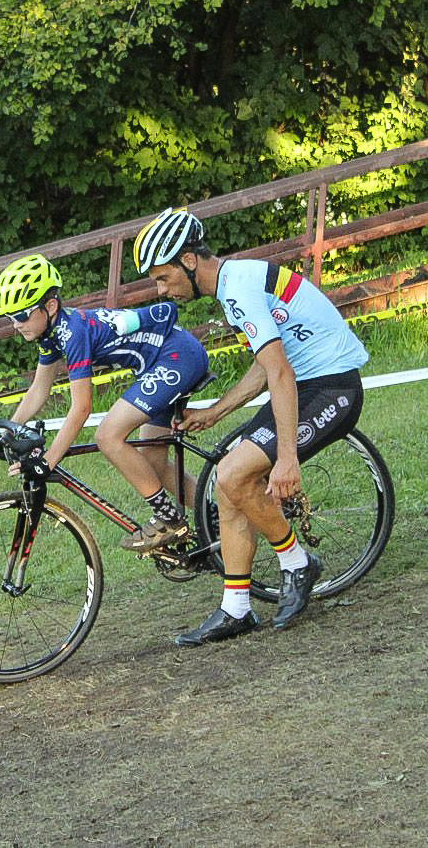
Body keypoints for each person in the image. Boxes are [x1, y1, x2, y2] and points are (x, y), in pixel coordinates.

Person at [132, 206, 369, 645]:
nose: (162, 290)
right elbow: (267, 367)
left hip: (332, 386)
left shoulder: (238, 289)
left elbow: (280, 374)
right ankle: (236, 609)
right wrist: (216, 411)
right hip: (305, 384)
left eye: (164, 277)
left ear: (189, 260)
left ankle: (298, 561)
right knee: (227, 482)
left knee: (234, 473)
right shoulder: (235, 285)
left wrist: (286, 459)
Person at [0, 253, 210, 552]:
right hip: (160, 360)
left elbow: (81, 409)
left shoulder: (73, 333)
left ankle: (169, 520)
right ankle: (217, 517)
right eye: (9, 318)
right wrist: (8, 432)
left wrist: (48, 460)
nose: (15, 325)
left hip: (176, 356)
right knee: (154, 466)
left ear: (49, 306)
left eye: (21, 315)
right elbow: (39, 390)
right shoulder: (51, 334)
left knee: (108, 435)